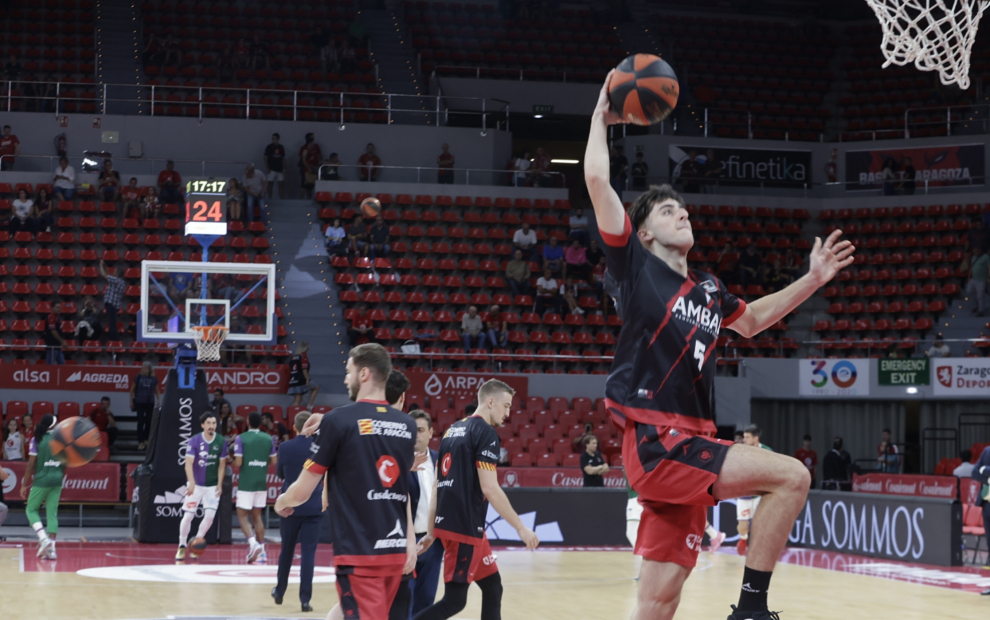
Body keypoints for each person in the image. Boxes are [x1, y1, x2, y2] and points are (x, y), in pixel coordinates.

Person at [585, 70, 853, 620]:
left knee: (657, 603)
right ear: (646, 234)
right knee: (793, 476)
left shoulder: (708, 288)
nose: (680, 212)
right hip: (661, 441)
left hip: (691, 447)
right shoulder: (635, 269)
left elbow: (752, 321)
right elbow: (596, 181)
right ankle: (750, 609)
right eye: (666, 211)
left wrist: (813, 280)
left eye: (682, 207)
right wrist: (599, 117)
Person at [276, 344, 417, 619]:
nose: (344, 378)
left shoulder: (338, 421)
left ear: (364, 374)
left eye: (348, 371)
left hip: (359, 554)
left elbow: (302, 491)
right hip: (394, 552)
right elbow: (401, 489)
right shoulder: (407, 425)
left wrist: (282, 501)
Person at [412, 379, 539, 620]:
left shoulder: (451, 431)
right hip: (464, 528)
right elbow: (490, 488)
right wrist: (521, 528)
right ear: (490, 402)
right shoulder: (486, 432)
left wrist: (431, 532)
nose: (508, 413)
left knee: (493, 587)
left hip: (460, 527)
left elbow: (438, 488)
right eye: (506, 405)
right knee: (454, 601)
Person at [273, 411, 323, 613]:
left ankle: (280, 591)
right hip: (313, 506)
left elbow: (280, 474)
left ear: (294, 427)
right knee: (308, 554)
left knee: (287, 550)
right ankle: (305, 600)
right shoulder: (320, 447)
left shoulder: (285, 447)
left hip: (289, 506)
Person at [176, 411, 228, 561]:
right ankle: (181, 545)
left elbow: (222, 465)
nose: (212, 426)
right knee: (188, 516)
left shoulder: (221, 441)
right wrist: (191, 482)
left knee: (210, 516)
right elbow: (188, 463)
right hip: (196, 485)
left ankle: (196, 542)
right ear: (203, 425)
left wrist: (219, 483)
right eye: (209, 423)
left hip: (212, 486)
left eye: (214, 423)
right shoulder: (194, 441)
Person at [407, 409, 443, 617]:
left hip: (433, 542)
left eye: (420, 430)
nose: (416, 434)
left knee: (427, 599)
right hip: (406, 541)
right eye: (412, 430)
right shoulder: (397, 462)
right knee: (405, 599)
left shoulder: (441, 461)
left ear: (431, 432)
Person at [233, 411, 278, 564]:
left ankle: (253, 544)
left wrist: (231, 459)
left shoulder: (241, 438)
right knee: (257, 516)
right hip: (261, 482)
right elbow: (273, 461)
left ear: (247, 421)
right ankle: (263, 551)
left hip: (246, 482)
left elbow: (238, 463)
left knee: (242, 515)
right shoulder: (268, 438)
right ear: (260, 423)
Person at [22, 415, 62, 559]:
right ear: (53, 425)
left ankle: (43, 538)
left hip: (42, 479)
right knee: (52, 513)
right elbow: (67, 463)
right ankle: (52, 550)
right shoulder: (62, 440)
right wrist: (59, 475)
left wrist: (24, 484)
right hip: (57, 479)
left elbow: (30, 465)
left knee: (31, 509)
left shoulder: (37, 439)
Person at [735, 425, 773, 556]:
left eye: (747, 437)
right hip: (744, 495)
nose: (743, 440)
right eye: (743, 437)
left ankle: (758, 550)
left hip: (759, 495)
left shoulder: (767, 451)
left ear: (756, 438)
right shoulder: (740, 451)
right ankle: (743, 538)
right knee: (743, 527)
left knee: (759, 525)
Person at [130, 361, 159, 451]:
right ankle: (140, 442)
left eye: (145, 368)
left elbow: (157, 390)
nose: (143, 369)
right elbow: (132, 390)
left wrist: (158, 400)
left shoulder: (153, 378)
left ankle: (146, 439)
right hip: (139, 402)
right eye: (142, 368)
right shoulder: (138, 377)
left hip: (150, 402)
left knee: (149, 422)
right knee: (140, 421)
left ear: (149, 369)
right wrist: (131, 401)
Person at [287, 341, 319, 409]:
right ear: (305, 349)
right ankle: (310, 405)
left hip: (293, 380)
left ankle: (292, 413)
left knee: (298, 400)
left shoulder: (293, 357)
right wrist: (307, 379)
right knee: (316, 387)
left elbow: (290, 368)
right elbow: (304, 369)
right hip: (301, 379)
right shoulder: (303, 356)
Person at [99, 259, 124, 338]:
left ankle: (115, 340)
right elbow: (108, 274)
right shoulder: (119, 281)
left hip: (112, 304)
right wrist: (105, 266)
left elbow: (104, 275)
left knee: (112, 324)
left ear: (117, 273)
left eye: (115, 271)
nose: (113, 272)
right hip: (113, 305)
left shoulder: (116, 280)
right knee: (112, 323)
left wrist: (100, 265)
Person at [299, 133, 321, 199]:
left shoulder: (316, 146)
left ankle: (309, 199)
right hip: (306, 169)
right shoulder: (304, 149)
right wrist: (308, 168)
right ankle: (301, 200)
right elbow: (303, 159)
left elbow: (319, 155)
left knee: (311, 185)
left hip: (314, 168)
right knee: (304, 184)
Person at [264, 133, 286, 199]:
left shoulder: (281, 147)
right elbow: (265, 157)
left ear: (278, 139)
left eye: (275, 138)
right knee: (270, 184)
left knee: (281, 184)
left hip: (280, 169)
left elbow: (283, 158)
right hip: (271, 169)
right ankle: (270, 198)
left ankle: (282, 199)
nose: (274, 140)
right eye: (273, 138)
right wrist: (267, 167)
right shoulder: (269, 147)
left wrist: (285, 167)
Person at [968, 248, 989, 316]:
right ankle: (975, 306)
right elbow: (972, 267)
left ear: (980, 250)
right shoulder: (974, 257)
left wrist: (989, 277)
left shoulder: (986, 257)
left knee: (980, 296)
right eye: (974, 251)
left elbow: (989, 267)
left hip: (982, 280)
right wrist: (969, 276)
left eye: (976, 251)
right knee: (969, 291)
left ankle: (981, 311)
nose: (975, 253)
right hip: (973, 279)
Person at [45, 301, 66, 365]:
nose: (59, 309)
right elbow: (53, 331)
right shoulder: (51, 317)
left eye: (60, 307)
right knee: (49, 366)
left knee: (62, 364)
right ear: (52, 308)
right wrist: (62, 342)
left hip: (57, 346)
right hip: (52, 346)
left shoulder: (57, 318)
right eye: (57, 307)